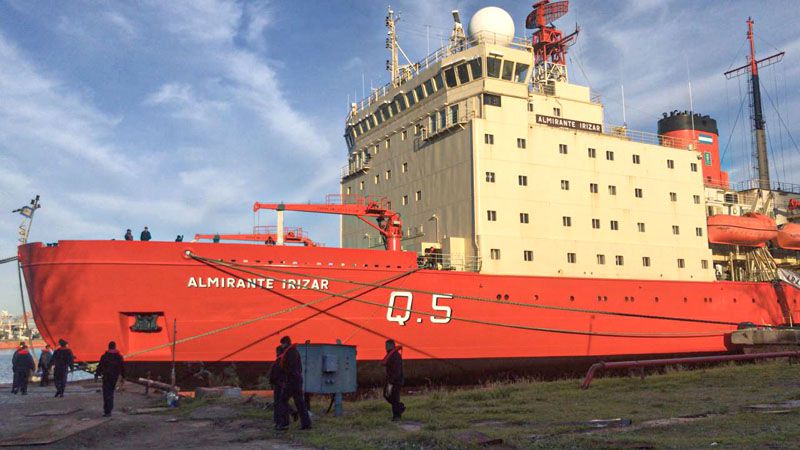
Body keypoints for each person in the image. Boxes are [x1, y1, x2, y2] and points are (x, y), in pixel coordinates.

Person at [275, 336, 311, 430]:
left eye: (282, 344)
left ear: (285, 343)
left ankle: (284, 423)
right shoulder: (295, 351)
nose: (281, 346)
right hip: (297, 380)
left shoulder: (290, 353)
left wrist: (286, 378)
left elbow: (290, 368)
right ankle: (306, 424)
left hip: (292, 381)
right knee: (300, 402)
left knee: (282, 400)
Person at [95, 341, 125, 417]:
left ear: (108, 347)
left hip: (106, 377)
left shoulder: (104, 356)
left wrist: (96, 375)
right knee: (111, 393)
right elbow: (122, 367)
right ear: (115, 347)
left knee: (106, 394)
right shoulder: (119, 356)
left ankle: (107, 411)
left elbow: (100, 366)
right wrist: (123, 377)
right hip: (114, 377)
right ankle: (109, 410)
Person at [382, 339, 405, 421]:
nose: (385, 347)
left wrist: (392, 381)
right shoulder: (391, 355)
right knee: (388, 395)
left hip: (395, 381)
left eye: (387, 346)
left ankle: (397, 416)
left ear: (392, 346)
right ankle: (399, 408)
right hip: (391, 380)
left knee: (393, 397)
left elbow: (397, 370)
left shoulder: (395, 356)